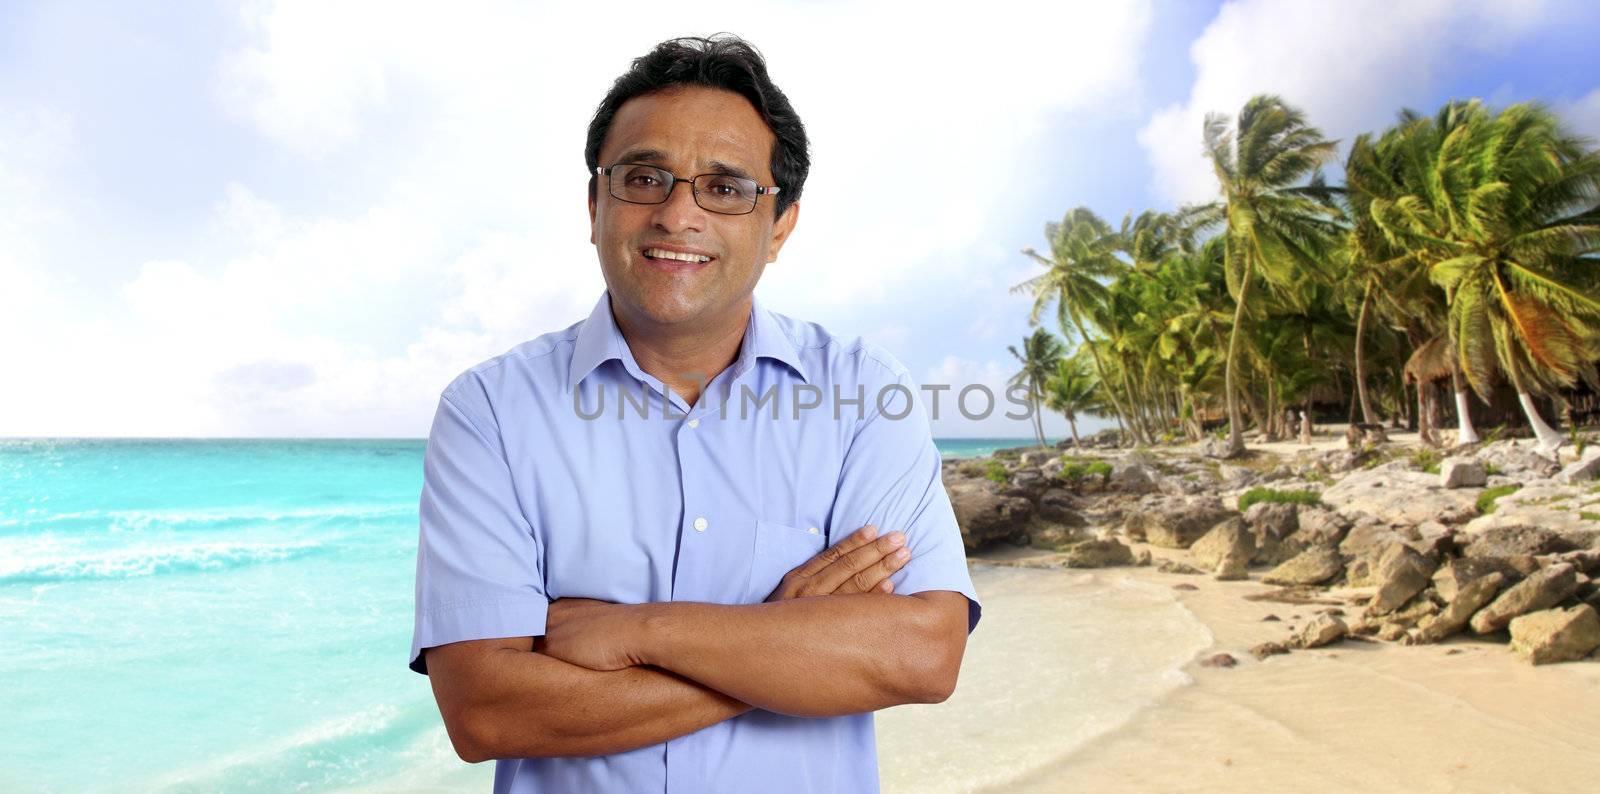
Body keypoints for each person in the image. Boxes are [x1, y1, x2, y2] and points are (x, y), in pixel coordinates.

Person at [408, 33, 981, 793]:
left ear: (780, 227)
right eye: (645, 178)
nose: (678, 215)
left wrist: (634, 631)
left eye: (726, 187)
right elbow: (486, 713)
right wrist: (787, 637)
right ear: (595, 204)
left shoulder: (867, 395)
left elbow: (923, 657)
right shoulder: (490, 411)